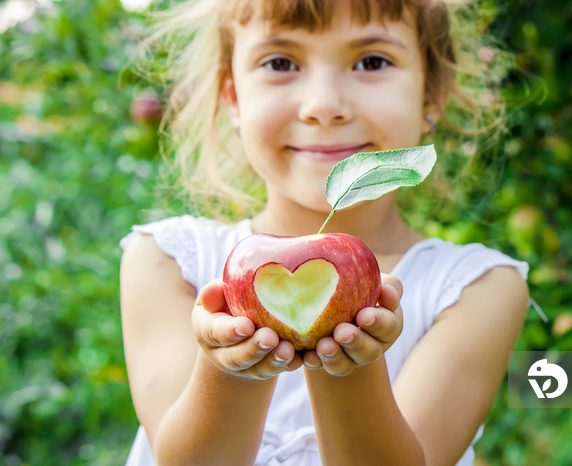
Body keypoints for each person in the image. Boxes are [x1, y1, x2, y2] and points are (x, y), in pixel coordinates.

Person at [119, 0, 531, 464]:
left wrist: (348, 361)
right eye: (281, 63)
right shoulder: (167, 261)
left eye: (371, 61)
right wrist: (232, 366)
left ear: (430, 95)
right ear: (233, 100)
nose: (323, 106)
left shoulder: (477, 288)